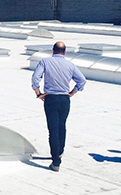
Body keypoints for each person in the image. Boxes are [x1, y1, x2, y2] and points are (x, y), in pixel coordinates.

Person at [32, 41, 86, 172]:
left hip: (50, 98)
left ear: (53, 50)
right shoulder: (70, 65)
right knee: (62, 126)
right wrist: (73, 92)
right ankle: (60, 151)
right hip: (64, 99)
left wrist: (38, 93)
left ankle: (56, 161)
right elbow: (82, 80)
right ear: (65, 52)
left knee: (53, 129)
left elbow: (35, 78)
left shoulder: (45, 62)